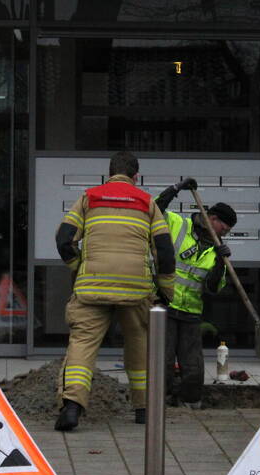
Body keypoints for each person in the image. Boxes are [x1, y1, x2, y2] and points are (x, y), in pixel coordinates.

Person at [53, 151, 176, 431]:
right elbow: (165, 252)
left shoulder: (89, 198)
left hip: (92, 286)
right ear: (136, 177)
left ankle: (72, 406)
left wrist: (78, 266)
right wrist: (166, 291)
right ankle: (144, 409)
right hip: (135, 288)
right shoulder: (147, 203)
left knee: (83, 343)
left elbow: (63, 240)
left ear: (109, 174)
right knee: (140, 342)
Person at [154, 179, 236, 409]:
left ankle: (190, 401)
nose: (225, 233)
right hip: (165, 306)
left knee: (193, 366)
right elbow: (154, 210)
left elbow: (212, 288)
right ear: (213, 219)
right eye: (224, 228)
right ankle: (161, 402)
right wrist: (175, 188)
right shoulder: (177, 224)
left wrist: (221, 261)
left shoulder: (216, 251)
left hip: (191, 313)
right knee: (164, 360)